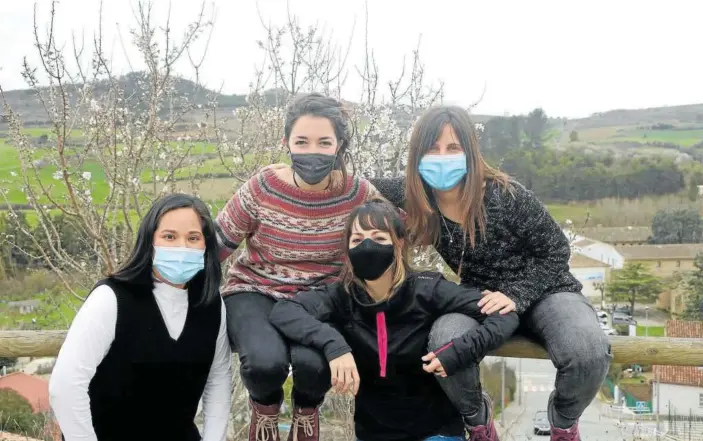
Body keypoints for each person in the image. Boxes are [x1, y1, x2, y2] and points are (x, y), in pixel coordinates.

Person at [369, 105, 612, 441]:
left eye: (453, 148)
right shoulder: (418, 195)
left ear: (470, 151)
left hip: (547, 292)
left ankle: (564, 422)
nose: (442, 158)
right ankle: (478, 421)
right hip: (478, 300)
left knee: (588, 350)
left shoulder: (505, 195)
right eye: (432, 148)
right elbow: (358, 186)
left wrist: (515, 296)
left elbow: (556, 250)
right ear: (417, 156)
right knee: (443, 345)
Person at [268, 198, 519, 441]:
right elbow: (284, 311)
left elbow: (503, 316)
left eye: (378, 238)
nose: (367, 247)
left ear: (398, 244)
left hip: (436, 430)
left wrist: (458, 352)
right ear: (347, 248)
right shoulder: (341, 296)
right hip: (372, 433)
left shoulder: (426, 289)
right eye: (357, 240)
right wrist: (333, 346)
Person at [215, 92, 382, 441]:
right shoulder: (263, 187)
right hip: (255, 289)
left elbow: (394, 231)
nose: (312, 151)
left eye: (324, 142)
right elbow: (219, 242)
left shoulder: (357, 193)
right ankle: (265, 410)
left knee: (314, 365)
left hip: (319, 299)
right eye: (302, 141)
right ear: (286, 142)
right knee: (264, 363)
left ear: (339, 145)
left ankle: (307, 413)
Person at [49, 194, 232, 441]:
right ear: (149, 240)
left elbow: (218, 382)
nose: (182, 247)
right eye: (169, 236)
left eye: (193, 238)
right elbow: (66, 385)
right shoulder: (111, 299)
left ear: (206, 246)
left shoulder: (210, 305)